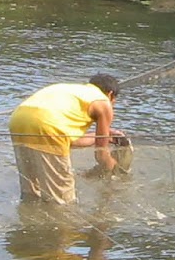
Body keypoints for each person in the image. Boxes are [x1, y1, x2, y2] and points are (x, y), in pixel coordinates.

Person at [8, 73, 123, 205]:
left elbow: (66, 140)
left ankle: (27, 223)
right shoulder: (104, 102)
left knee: (32, 193)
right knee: (63, 203)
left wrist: (101, 137)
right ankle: (63, 226)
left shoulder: (71, 92)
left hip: (18, 121)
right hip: (48, 125)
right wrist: (114, 168)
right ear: (110, 94)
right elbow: (101, 154)